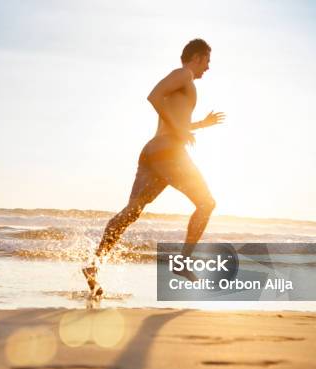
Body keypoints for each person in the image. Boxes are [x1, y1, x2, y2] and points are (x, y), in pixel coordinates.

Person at [83, 38, 225, 297]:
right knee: (206, 203)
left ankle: (94, 264)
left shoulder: (184, 82)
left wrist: (199, 125)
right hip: (169, 152)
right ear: (197, 57)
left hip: (154, 152)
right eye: (207, 61)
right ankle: (183, 262)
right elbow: (153, 96)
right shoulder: (183, 74)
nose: (208, 67)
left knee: (132, 211)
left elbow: (175, 122)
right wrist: (181, 129)